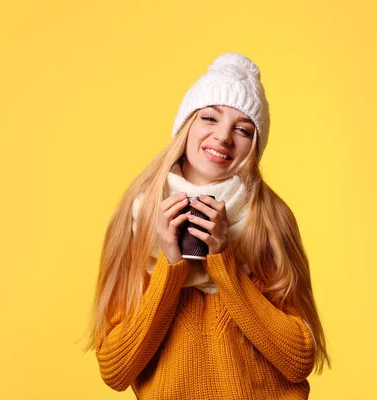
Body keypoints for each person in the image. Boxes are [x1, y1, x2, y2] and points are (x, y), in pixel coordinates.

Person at [84, 52, 331, 399]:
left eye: (243, 129)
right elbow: (116, 369)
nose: (223, 137)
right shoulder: (139, 214)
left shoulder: (269, 220)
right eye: (210, 118)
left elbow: (298, 360)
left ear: (255, 146)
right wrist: (170, 268)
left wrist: (223, 261)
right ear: (187, 124)